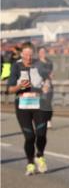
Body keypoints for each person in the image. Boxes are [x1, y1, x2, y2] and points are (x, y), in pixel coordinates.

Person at [6, 42, 52, 175]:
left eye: (30, 55)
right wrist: (20, 86)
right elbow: (9, 89)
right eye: (26, 55)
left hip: (39, 104)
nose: (28, 58)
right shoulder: (16, 67)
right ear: (22, 55)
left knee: (42, 134)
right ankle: (30, 163)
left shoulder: (39, 65)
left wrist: (46, 86)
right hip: (23, 105)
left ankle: (40, 156)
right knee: (30, 137)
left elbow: (47, 78)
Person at [36, 46, 55, 124]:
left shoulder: (49, 62)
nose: (43, 53)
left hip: (48, 85)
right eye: (41, 52)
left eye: (44, 52)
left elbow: (51, 74)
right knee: (40, 103)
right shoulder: (36, 63)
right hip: (38, 85)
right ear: (38, 53)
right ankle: (41, 120)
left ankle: (48, 120)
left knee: (48, 103)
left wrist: (48, 80)